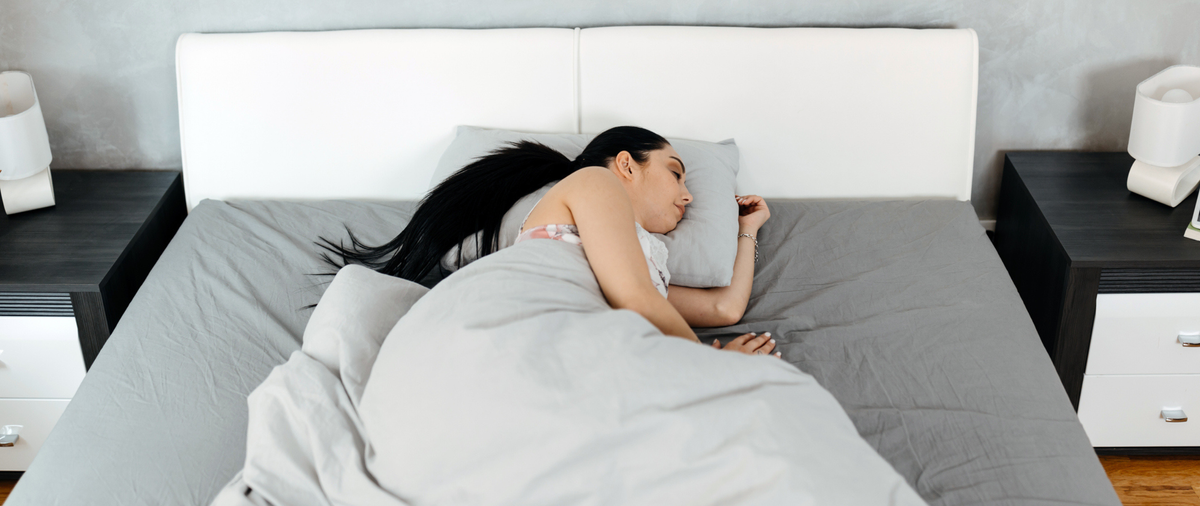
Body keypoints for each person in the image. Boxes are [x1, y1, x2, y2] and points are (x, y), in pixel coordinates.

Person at [321, 126, 777, 357]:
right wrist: (714, 369)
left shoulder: (640, 259)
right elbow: (636, 300)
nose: (689, 193)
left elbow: (723, 310)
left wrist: (748, 229)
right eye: (675, 171)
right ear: (626, 165)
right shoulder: (595, 184)